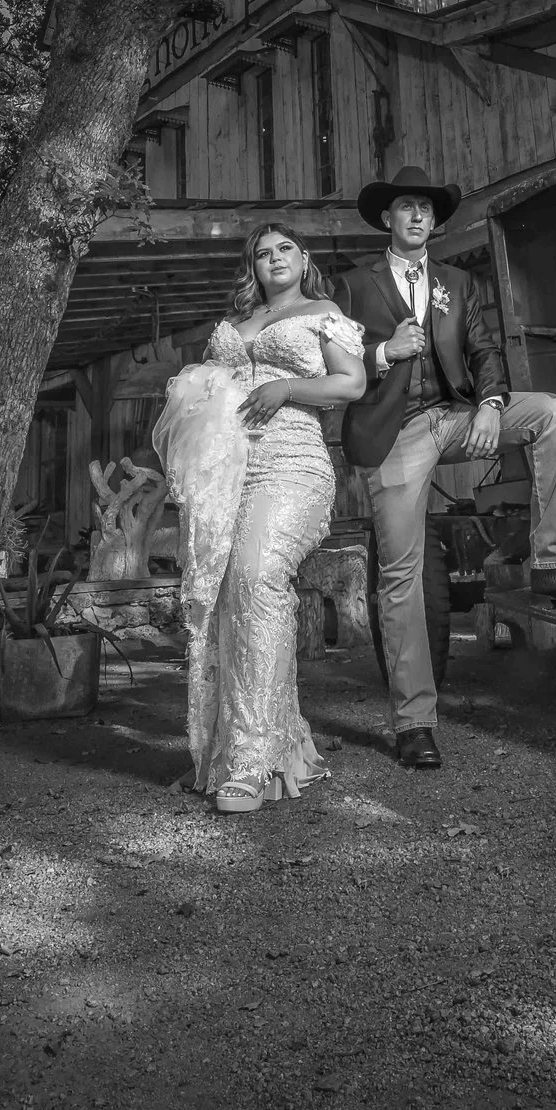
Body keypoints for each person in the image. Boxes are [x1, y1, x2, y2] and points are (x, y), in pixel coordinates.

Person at [336, 166, 556, 771]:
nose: (417, 216)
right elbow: (329, 357)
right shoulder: (354, 286)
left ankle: (554, 563)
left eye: (426, 209)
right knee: (401, 573)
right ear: (388, 218)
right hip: (395, 431)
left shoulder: (457, 284)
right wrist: (384, 352)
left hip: (457, 415)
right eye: (406, 207)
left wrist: (491, 404)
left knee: (553, 414)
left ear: (435, 222)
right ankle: (414, 722)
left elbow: (484, 349)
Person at [153, 224, 366, 813]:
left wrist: (289, 388)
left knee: (256, 578)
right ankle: (281, 746)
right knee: (225, 595)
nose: (274, 258)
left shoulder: (323, 313)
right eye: (263, 252)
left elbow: (353, 382)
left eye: (285, 250)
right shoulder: (235, 323)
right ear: (253, 265)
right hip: (229, 468)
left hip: (293, 464)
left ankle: (251, 764)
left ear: (304, 259)